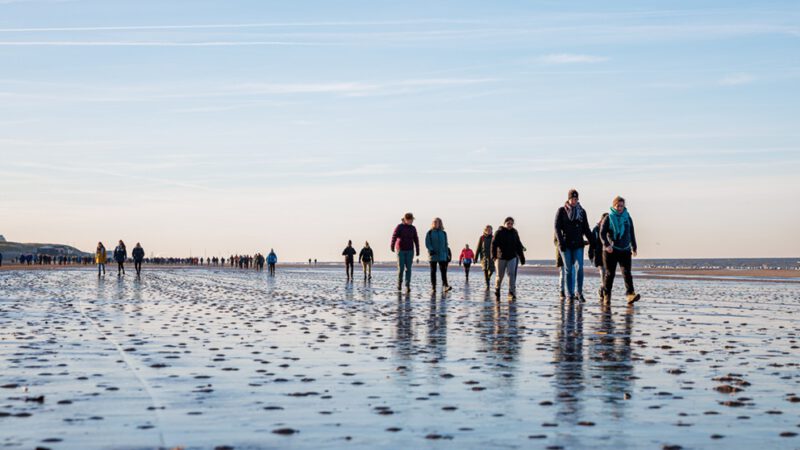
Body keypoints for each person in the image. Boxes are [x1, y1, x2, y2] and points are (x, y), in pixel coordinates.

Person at [554, 189, 593, 302]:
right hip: (565, 245)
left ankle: (579, 292)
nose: (574, 201)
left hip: (578, 244)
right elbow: (556, 227)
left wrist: (593, 241)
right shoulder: (561, 211)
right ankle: (570, 294)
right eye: (572, 198)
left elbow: (586, 228)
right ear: (569, 199)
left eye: (576, 199)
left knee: (579, 268)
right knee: (568, 270)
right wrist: (560, 242)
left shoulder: (582, 212)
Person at [601, 196, 640, 304]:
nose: (619, 208)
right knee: (610, 274)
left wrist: (634, 247)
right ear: (614, 206)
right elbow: (602, 234)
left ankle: (630, 295)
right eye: (617, 206)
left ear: (624, 206)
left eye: (621, 206)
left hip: (625, 250)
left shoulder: (628, 218)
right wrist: (607, 244)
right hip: (611, 251)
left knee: (627, 273)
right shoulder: (608, 218)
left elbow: (631, 233)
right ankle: (606, 295)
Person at [492, 217, 525, 299]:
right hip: (501, 257)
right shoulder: (499, 232)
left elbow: (518, 245)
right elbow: (494, 245)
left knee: (511, 274)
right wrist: (494, 256)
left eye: (511, 223)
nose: (510, 225)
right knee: (500, 276)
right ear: (504, 223)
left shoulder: (514, 232)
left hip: (512, 257)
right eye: (508, 223)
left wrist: (522, 257)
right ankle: (497, 288)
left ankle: (511, 292)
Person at [391, 212, 420, 292]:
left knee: (409, 269)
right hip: (401, 250)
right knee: (401, 268)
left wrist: (417, 249)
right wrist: (392, 246)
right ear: (406, 219)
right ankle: (399, 283)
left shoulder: (413, 228)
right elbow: (394, 236)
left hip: (410, 250)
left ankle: (407, 285)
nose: (411, 222)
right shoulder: (399, 227)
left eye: (412, 220)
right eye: (410, 220)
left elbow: (416, 239)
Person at [425, 217, 452, 294]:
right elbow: (427, 243)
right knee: (433, 271)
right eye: (435, 222)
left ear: (440, 224)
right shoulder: (429, 233)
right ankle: (433, 287)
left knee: (443, 271)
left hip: (442, 255)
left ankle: (445, 285)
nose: (436, 224)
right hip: (433, 255)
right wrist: (431, 250)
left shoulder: (443, 233)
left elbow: (446, 244)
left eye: (438, 222)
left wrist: (447, 254)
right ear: (433, 223)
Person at [588, 213, 609, 299]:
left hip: (608, 255)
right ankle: (603, 291)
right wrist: (591, 254)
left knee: (607, 274)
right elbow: (592, 243)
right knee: (602, 273)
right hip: (599, 255)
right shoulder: (596, 229)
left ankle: (602, 289)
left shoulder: (610, 229)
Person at [554, 233, 565, 300]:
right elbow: (555, 241)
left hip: (570, 253)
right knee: (562, 275)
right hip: (561, 254)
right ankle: (562, 291)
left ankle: (571, 292)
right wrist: (560, 246)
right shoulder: (557, 229)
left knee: (572, 274)